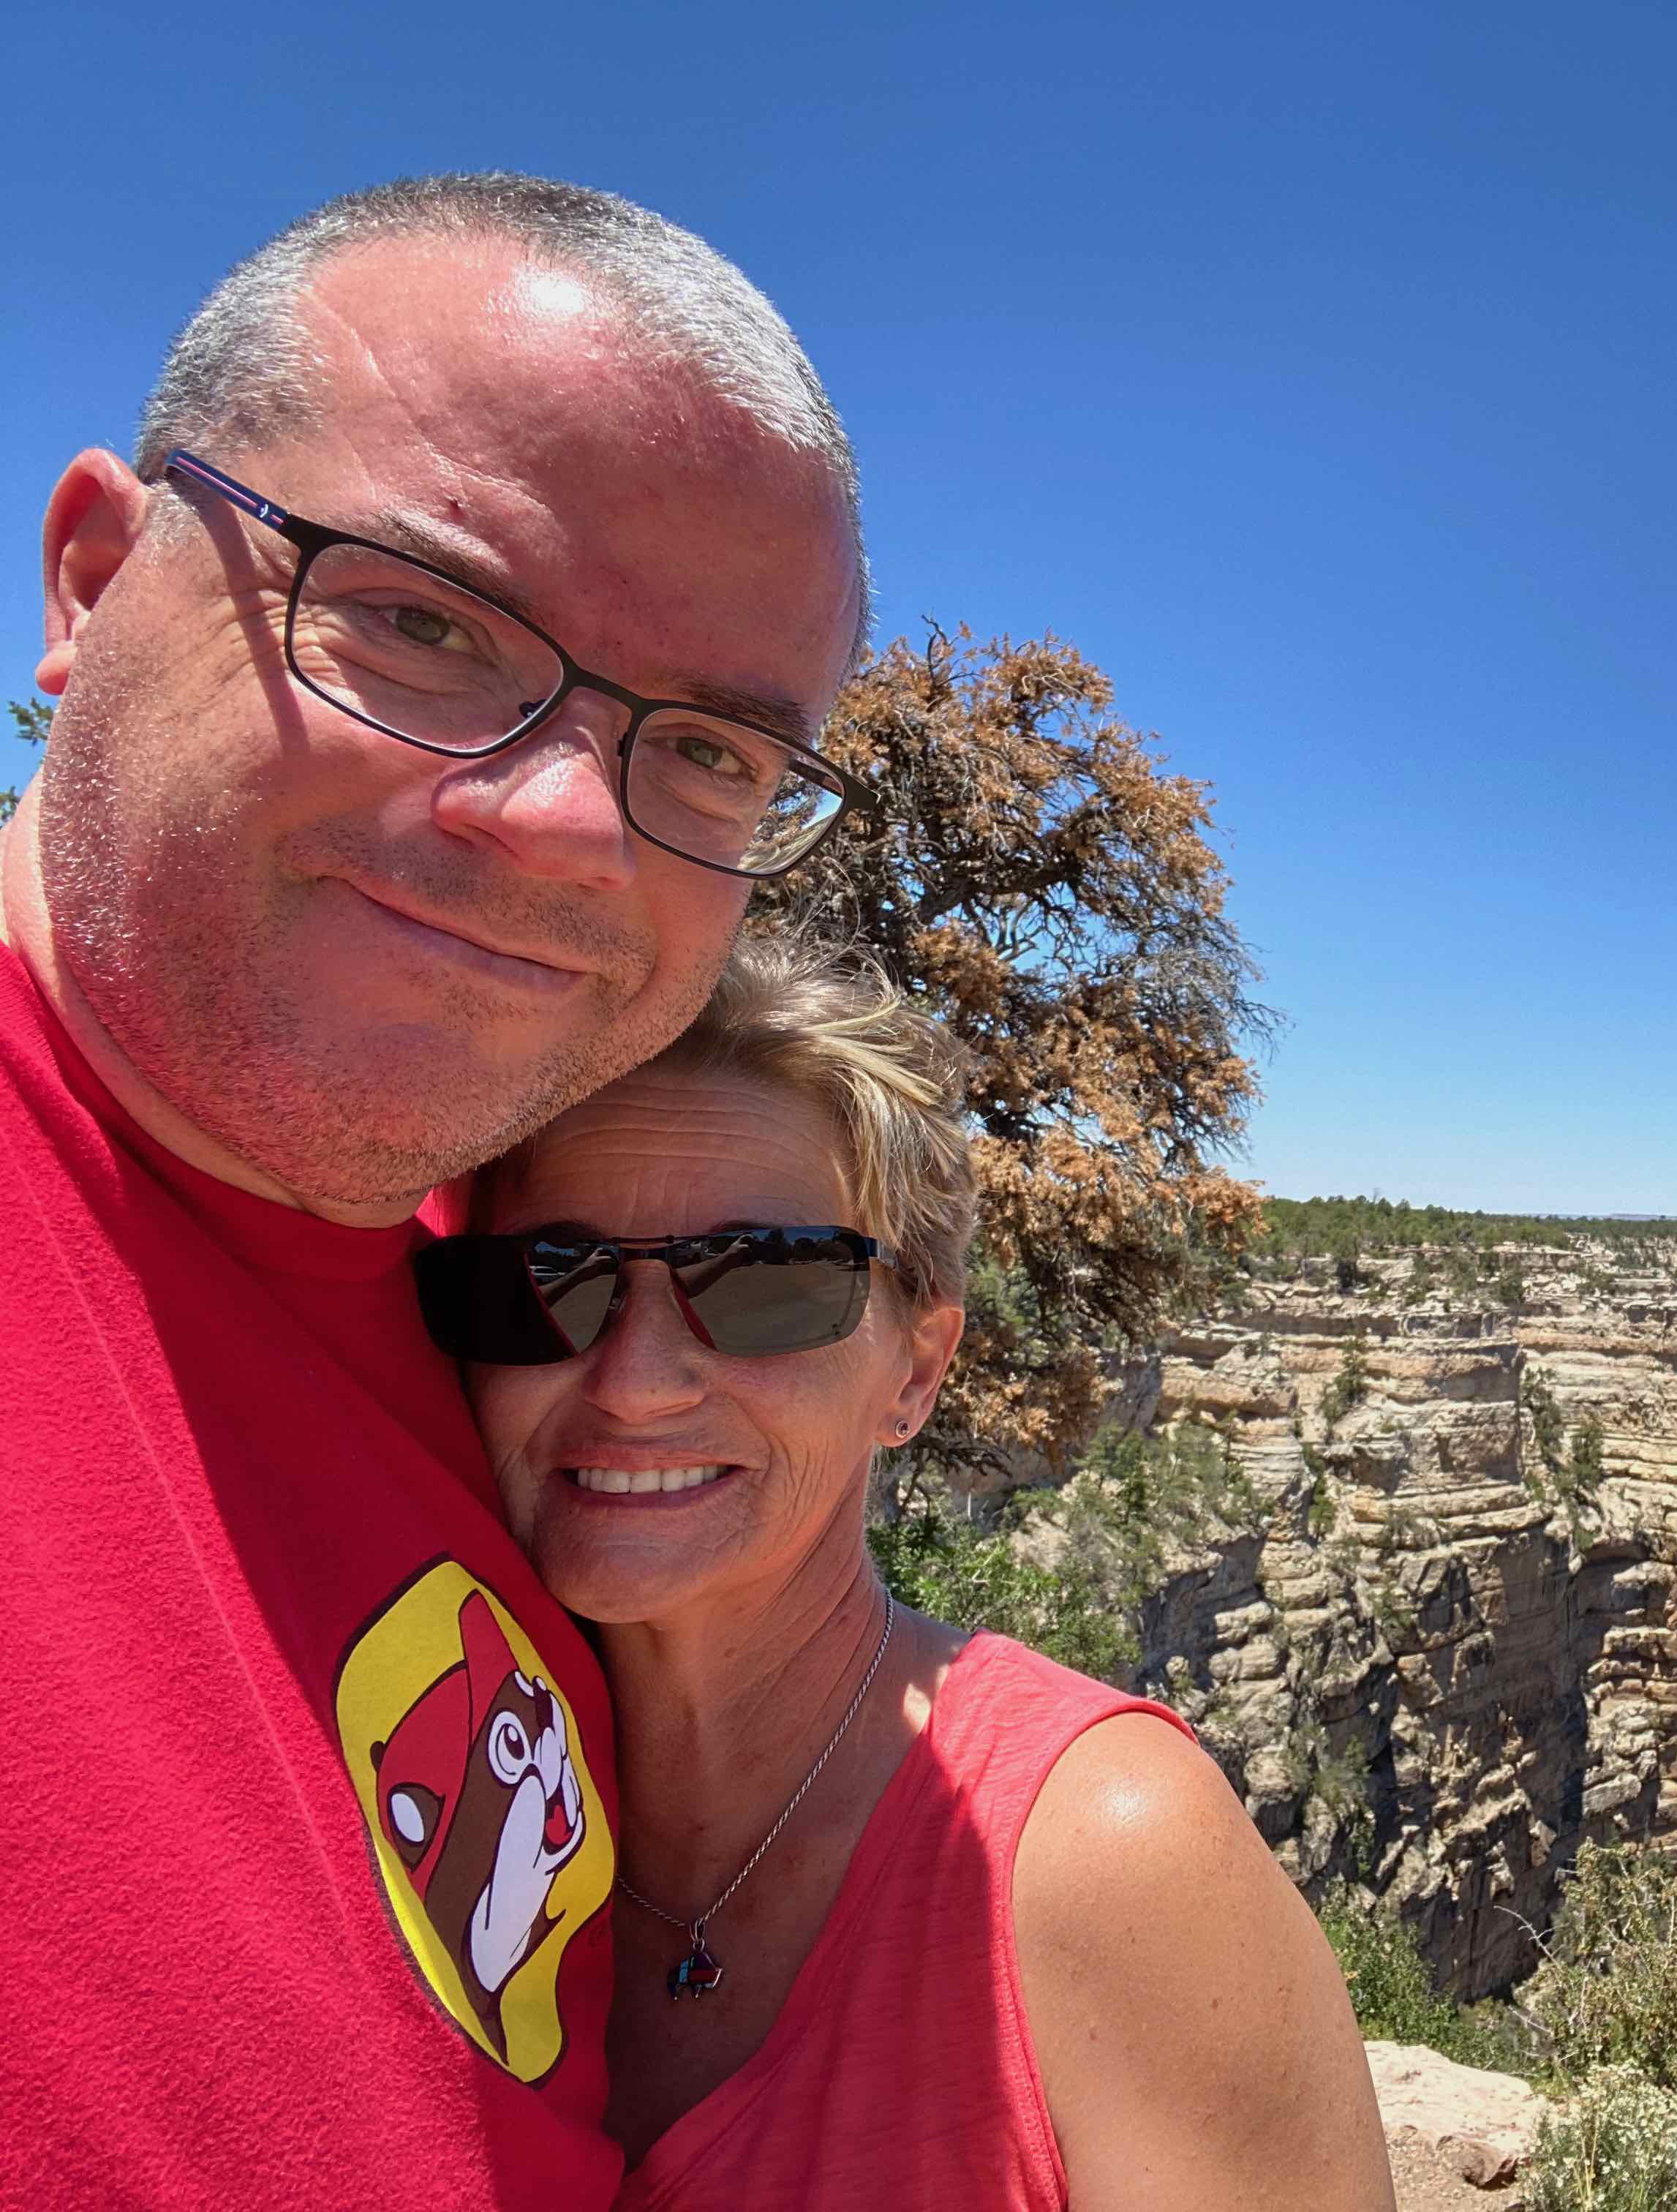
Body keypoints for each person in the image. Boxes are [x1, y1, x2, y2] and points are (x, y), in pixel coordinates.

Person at [0, 175, 867, 2205]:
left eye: (717, 759)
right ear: (90, 580)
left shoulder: (533, 1303)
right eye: (420, 619)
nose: (568, 825)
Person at [421, 931, 1395, 2210]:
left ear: (916, 1368)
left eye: (763, 1284)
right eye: (549, 1284)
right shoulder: (431, 1792)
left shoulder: (1105, 1861)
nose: (638, 1381)